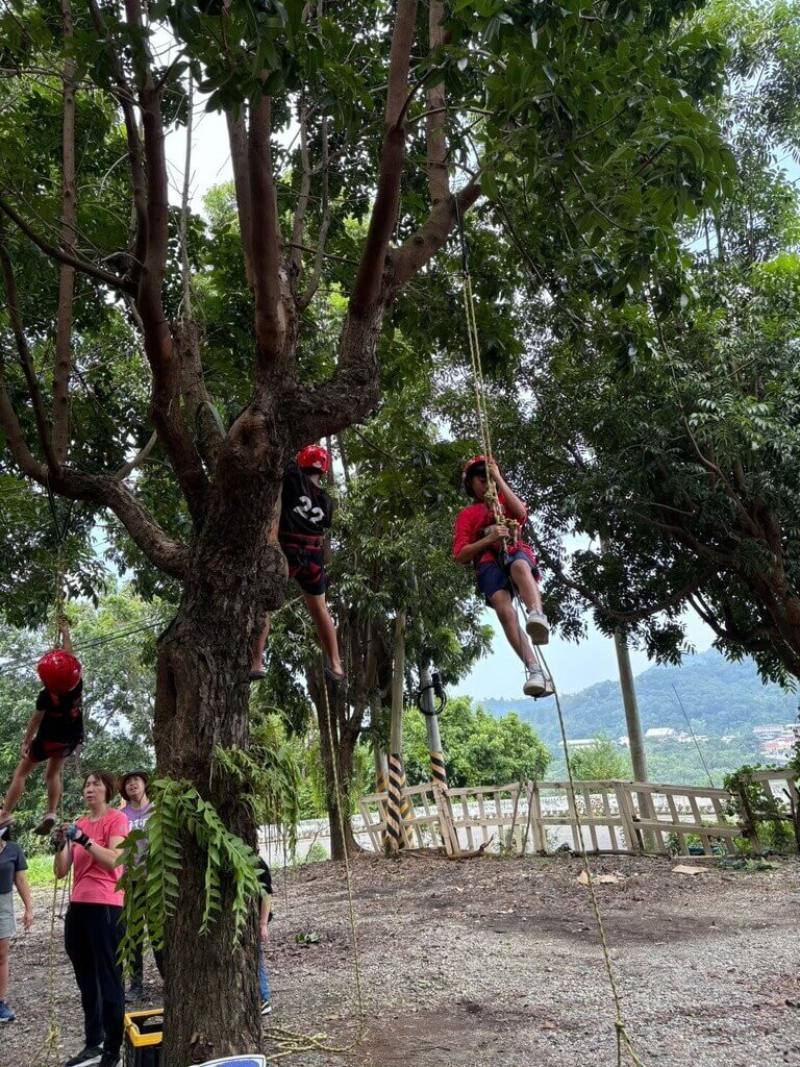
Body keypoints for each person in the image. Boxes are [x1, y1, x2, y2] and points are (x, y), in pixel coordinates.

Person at [453, 455, 552, 699]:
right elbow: (460, 554)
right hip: (488, 562)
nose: (486, 483)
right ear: (471, 485)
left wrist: (498, 478)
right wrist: (487, 539)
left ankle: (536, 615)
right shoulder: (468, 515)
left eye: (489, 478)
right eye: (481, 479)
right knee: (504, 609)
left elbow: (521, 514)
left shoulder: (504, 501)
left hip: (513, 550)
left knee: (520, 566)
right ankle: (534, 669)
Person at [54, 770, 128, 1067]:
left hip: (107, 906)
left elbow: (115, 860)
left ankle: (112, 1050)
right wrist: (60, 844)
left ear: (107, 789)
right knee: (86, 980)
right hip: (79, 906)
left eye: (96, 784)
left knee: (109, 978)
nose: (90, 788)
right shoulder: (79, 823)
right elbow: (61, 871)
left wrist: (83, 839)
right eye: (86, 784)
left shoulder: (116, 820)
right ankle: (93, 1043)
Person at [250, 444, 343, 682]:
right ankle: (336, 664)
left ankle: (257, 661)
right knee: (320, 609)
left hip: (287, 551)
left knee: (264, 603)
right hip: (313, 559)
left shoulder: (292, 477)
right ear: (323, 469)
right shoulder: (327, 503)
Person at [0, 644, 84, 835]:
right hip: (69, 740)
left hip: (47, 740)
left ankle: (5, 813)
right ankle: (51, 813)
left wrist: (27, 741)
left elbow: (35, 720)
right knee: (52, 774)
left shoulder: (45, 696)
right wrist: (65, 632)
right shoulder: (77, 686)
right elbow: (71, 660)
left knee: (21, 773)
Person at [119, 770, 164, 1003]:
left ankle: (169, 979)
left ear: (145, 784)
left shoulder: (157, 810)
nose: (132, 784)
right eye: (127, 782)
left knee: (159, 934)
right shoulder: (121, 815)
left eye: (135, 780)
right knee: (133, 934)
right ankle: (136, 985)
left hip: (155, 882)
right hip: (131, 883)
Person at [0, 826, 33, 1024]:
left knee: (2, 954)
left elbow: (20, 879)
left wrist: (29, 908)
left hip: (3, 903)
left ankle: (0, 1002)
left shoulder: (13, 849)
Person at [257, 857, 273, 1017]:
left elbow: (267, 896)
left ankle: (263, 998)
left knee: (256, 957)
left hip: (255, 919)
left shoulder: (260, 865)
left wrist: (263, 924)